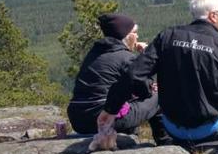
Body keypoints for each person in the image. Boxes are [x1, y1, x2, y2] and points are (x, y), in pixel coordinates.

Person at [97, 0, 218, 149]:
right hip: (211, 131)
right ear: (213, 16)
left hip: (173, 129)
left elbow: (133, 74)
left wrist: (110, 109)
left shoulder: (167, 37)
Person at [67, 13, 167, 141]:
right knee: (158, 96)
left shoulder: (94, 53)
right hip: (103, 119)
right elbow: (144, 90)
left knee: (124, 97)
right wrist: (145, 56)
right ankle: (165, 142)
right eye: (134, 32)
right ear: (127, 36)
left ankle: (129, 136)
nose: (137, 36)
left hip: (78, 120)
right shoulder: (125, 57)